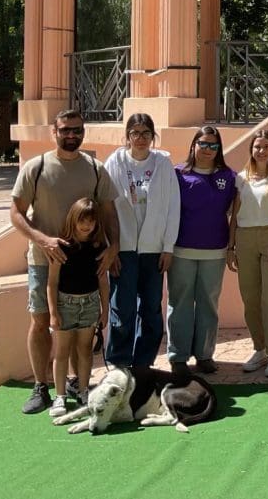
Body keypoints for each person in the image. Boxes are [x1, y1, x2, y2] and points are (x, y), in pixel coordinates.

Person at [10, 109, 119, 415]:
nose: (72, 135)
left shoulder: (96, 169)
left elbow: (109, 213)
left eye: (77, 130)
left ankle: (75, 383)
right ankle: (41, 387)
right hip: (45, 262)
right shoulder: (37, 167)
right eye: (65, 130)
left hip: (84, 264)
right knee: (43, 321)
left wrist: (114, 248)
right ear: (54, 132)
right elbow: (16, 212)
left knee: (80, 326)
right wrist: (42, 240)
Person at [103, 113, 179, 370]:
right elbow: (106, 208)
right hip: (123, 249)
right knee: (122, 309)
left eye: (146, 133)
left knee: (150, 309)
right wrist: (110, 249)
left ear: (153, 136)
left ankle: (143, 362)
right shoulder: (115, 162)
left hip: (153, 249)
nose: (141, 138)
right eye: (135, 133)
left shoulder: (163, 163)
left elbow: (173, 207)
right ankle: (118, 361)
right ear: (127, 136)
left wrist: (168, 247)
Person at [167, 126, 237, 376]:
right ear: (193, 145)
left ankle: (205, 355)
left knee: (208, 304)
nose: (208, 149)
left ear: (219, 149)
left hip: (214, 251)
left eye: (213, 145)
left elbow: (235, 212)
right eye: (203, 144)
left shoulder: (228, 176)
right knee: (180, 303)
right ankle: (178, 356)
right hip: (181, 250)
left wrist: (231, 246)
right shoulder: (177, 174)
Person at [229, 130, 268, 379]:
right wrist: (230, 246)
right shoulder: (240, 178)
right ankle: (260, 349)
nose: (261, 151)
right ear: (251, 149)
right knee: (250, 298)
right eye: (257, 147)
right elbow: (235, 215)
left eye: (266, 146)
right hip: (245, 239)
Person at [46, 198, 109, 418]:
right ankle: (60, 396)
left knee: (85, 350)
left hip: (90, 303)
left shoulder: (98, 246)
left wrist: (105, 309)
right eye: (82, 220)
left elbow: (102, 281)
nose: (86, 226)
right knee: (62, 352)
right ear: (74, 219)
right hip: (65, 304)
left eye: (91, 222)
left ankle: (83, 391)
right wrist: (53, 312)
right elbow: (52, 282)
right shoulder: (62, 246)